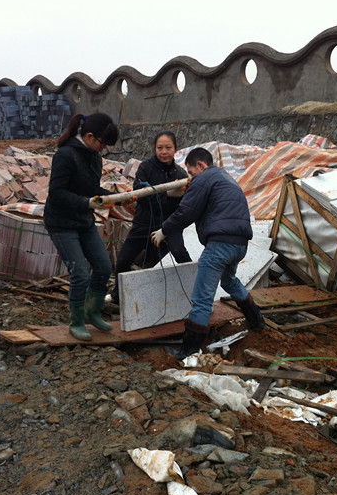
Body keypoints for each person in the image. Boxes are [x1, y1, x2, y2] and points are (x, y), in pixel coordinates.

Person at [151, 147, 264, 359]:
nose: (190, 178)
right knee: (229, 281)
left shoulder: (203, 179)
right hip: (240, 244)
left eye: (191, 172)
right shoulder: (226, 178)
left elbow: (186, 212)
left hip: (220, 245)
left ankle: (188, 350)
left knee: (202, 299)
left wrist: (164, 231)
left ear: (201, 165)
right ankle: (256, 320)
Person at [44, 112, 119, 340]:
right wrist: (86, 203)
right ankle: (76, 321)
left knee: (104, 266)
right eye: (102, 143)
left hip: (83, 220)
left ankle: (92, 312)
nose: (103, 149)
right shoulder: (65, 155)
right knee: (80, 273)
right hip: (61, 223)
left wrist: (115, 197)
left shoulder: (94, 157)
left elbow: (90, 188)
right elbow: (56, 193)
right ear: (89, 136)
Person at [110, 131, 191, 304]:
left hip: (168, 225)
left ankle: (191, 294)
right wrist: (168, 194)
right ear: (154, 149)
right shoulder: (145, 168)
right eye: (160, 148)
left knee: (179, 256)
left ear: (175, 149)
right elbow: (141, 195)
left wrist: (179, 197)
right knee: (123, 260)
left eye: (168, 147)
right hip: (144, 222)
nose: (164, 152)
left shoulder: (180, 173)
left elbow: (185, 203)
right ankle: (117, 296)